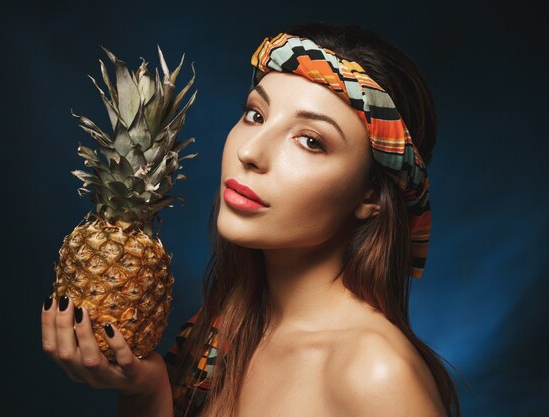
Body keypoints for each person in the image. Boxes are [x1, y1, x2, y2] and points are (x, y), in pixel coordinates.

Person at [41, 21, 461, 417]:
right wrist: (146, 392)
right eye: (255, 115)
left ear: (371, 195)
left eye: (310, 141)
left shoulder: (376, 373)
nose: (250, 152)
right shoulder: (218, 332)